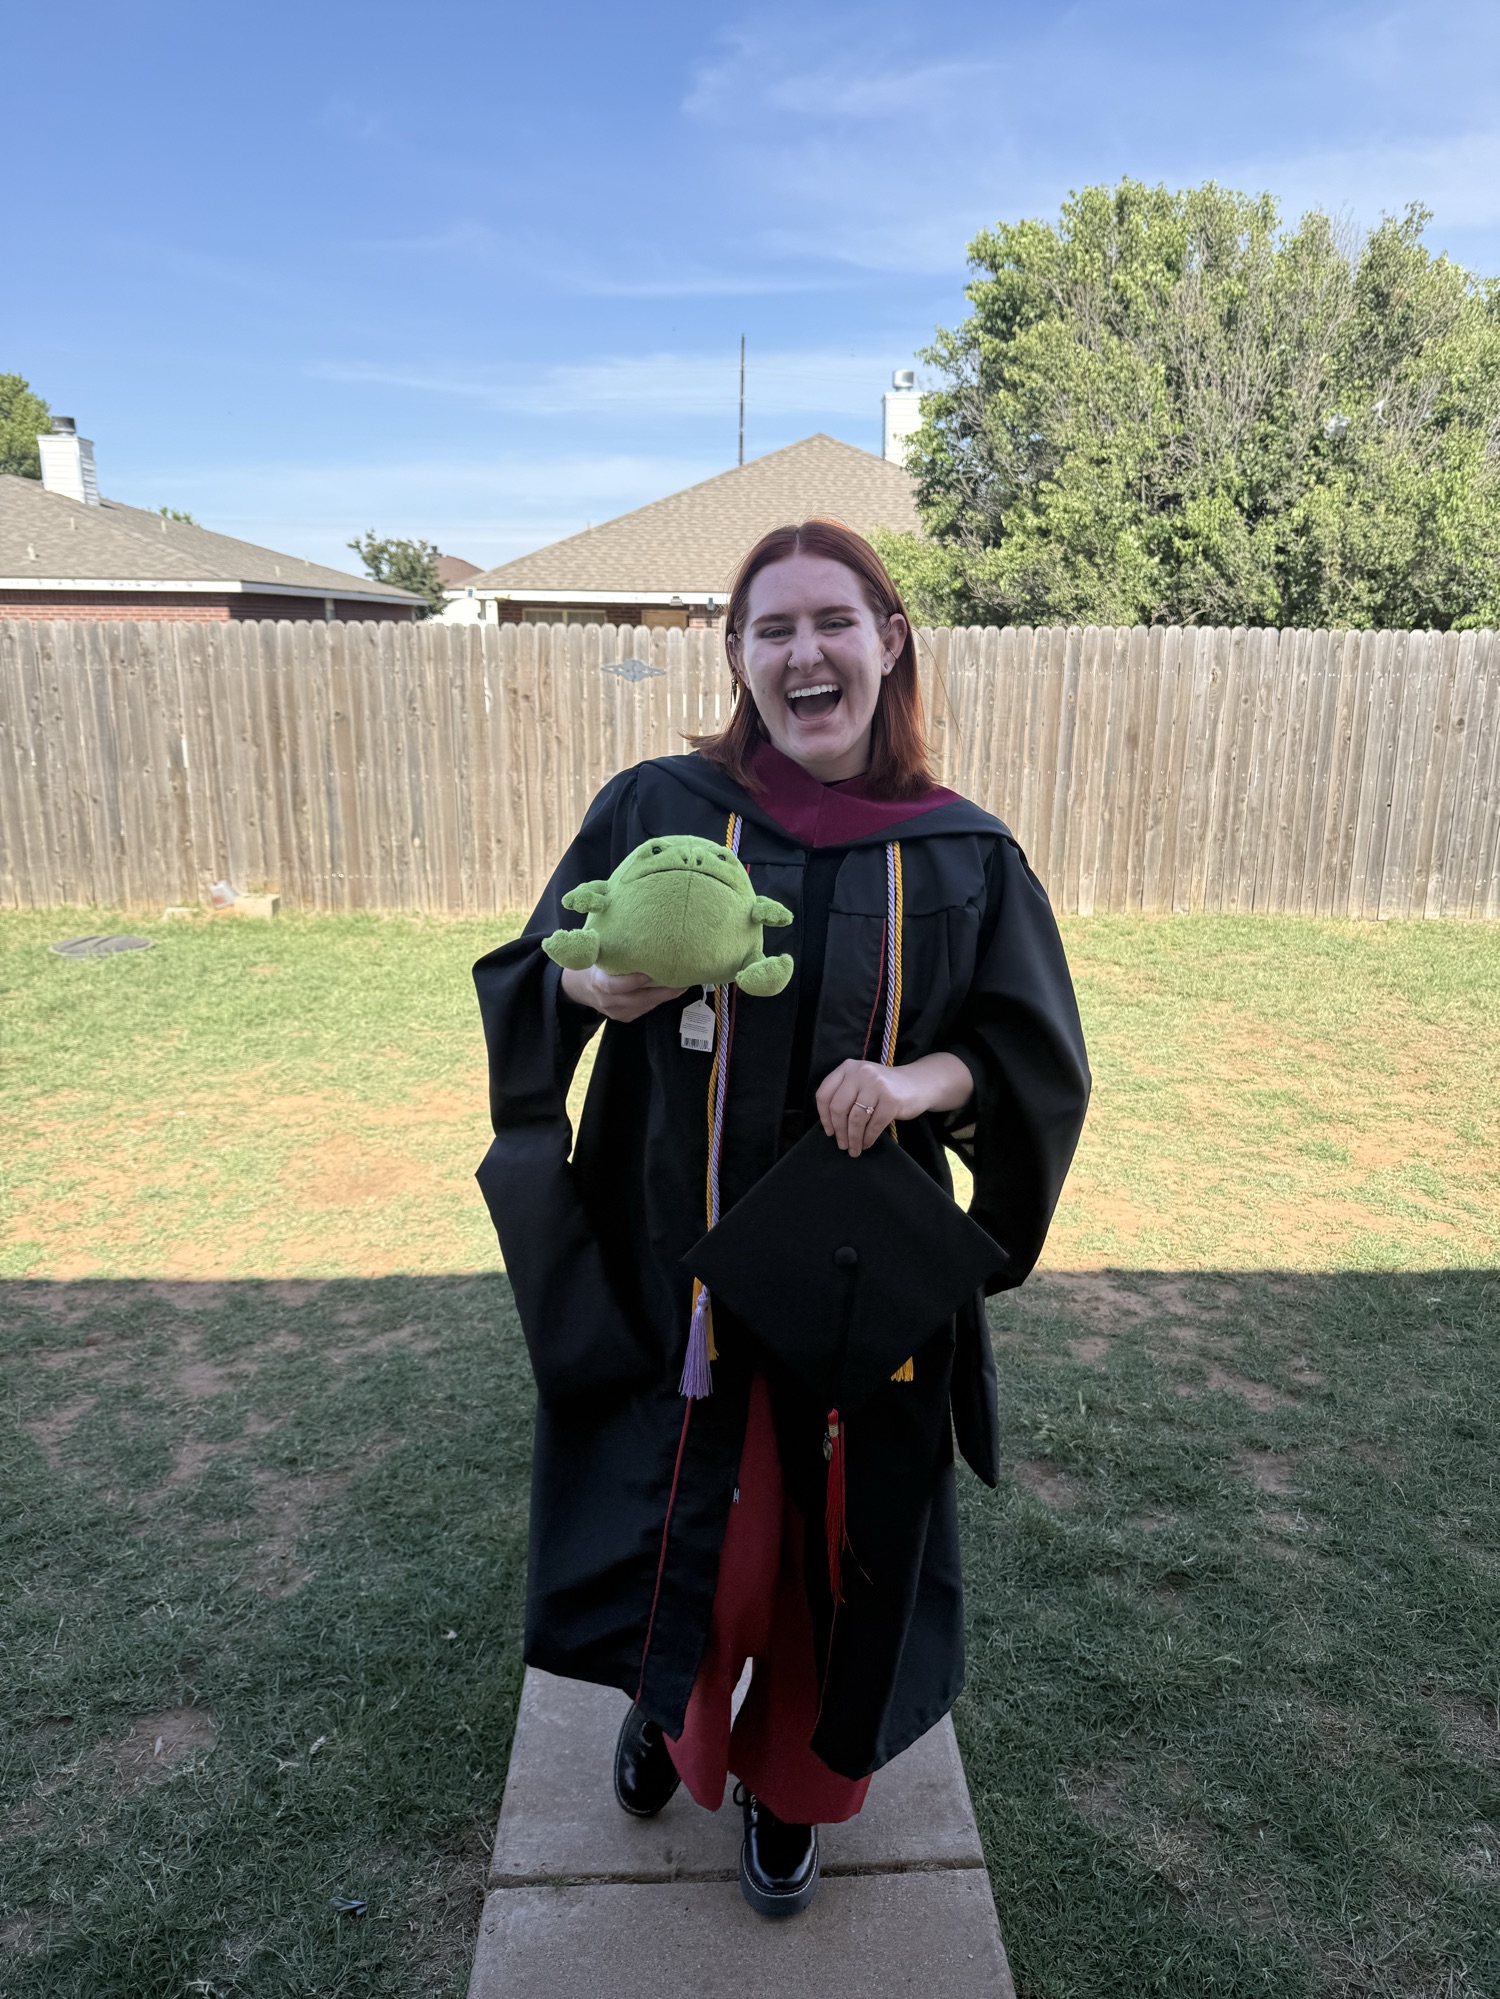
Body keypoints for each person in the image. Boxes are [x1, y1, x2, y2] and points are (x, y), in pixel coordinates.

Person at [473, 520, 1090, 1918]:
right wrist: (589, 989)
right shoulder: (658, 807)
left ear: (890, 641)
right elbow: (534, 965)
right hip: (673, 1260)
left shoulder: (960, 851)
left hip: (854, 1283)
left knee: (829, 1554)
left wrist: (915, 1081)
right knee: (698, 1535)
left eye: (833, 621)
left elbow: (1026, 1051)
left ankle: (791, 1790)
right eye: (773, 628)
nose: (805, 652)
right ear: (739, 656)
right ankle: (669, 1711)